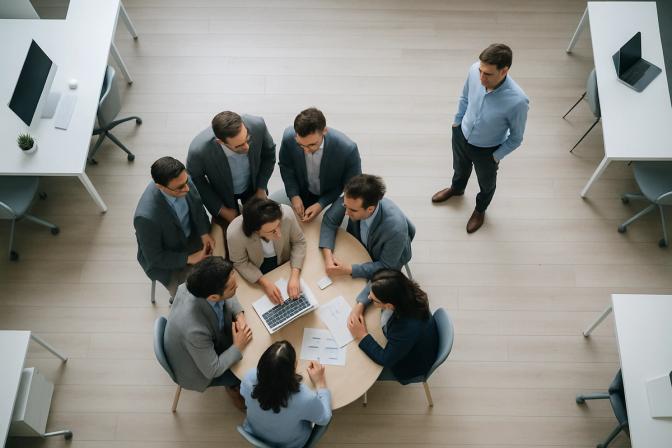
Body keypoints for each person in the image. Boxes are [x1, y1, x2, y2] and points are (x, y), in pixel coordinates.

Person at [432, 43, 529, 233]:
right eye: (480, 71)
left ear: (504, 71)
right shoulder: (474, 70)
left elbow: (516, 138)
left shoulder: (517, 101)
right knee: (459, 167)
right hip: (462, 134)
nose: (481, 77)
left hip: (488, 150)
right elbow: (465, 98)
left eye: (488, 74)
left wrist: (495, 156)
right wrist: (456, 124)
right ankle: (457, 188)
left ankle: (480, 209)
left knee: (486, 183)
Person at [163, 257, 252, 412]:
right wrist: (238, 346)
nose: (237, 286)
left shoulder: (193, 285)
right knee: (248, 373)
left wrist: (239, 316)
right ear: (213, 297)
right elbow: (213, 369)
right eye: (232, 288)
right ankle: (233, 387)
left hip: (206, 340)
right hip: (199, 368)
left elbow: (227, 296)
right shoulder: (194, 330)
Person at [319, 174, 413, 313]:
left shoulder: (395, 230)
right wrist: (328, 256)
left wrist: (349, 270)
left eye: (352, 210)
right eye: (345, 206)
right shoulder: (352, 199)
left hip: (386, 261)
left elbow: (386, 267)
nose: (345, 212)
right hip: (357, 250)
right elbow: (329, 220)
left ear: (370, 209)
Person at [134, 156, 216, 298]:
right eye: (180, 187)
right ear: (160, 186)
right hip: (169, 257)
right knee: (195, 295)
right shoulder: (145, 218)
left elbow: (197, 207)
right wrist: (190, 259)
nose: (187, 188)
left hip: (191, 236)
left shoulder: (183, 180)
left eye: (186, 181)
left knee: (217, 276)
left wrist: (204, 233)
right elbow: (155, 258)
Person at [347, 268, 439, 383]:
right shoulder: (403, 290)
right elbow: (374, 283)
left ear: (389, 306)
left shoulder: (407, 328)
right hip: (407, 343)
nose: (369, 297)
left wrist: (362, 335)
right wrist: (360, 305)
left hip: (411, 364)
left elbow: (385, 359)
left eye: (375, 300)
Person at [186, 111, 276, 225]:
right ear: (221, 142)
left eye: (247, 138)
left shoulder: (258, 125)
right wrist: (222, 210)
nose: (247, 147)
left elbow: (269, 154)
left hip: (253, 187)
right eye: (239, 146)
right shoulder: (198, 151)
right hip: (222, 195)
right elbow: (195, 179)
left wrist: (261, 188)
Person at [276, 107, 361, 222]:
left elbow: (351, 186)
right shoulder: (289, 137)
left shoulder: (348, 149)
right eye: (301, 144)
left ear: (324, 131)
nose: (306, 150)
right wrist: (294, 195)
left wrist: (321, 204)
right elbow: (286, 166)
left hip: (330, 194)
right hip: (302, 190)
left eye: (312, 145)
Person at [240, 341, 331, 448]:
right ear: (295, 366)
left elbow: (244, 395)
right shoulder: (305, 398)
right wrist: (320, 384)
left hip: (254, 432)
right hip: (290, 444)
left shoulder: (249, 376)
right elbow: (325, 419)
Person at [227, 197, 307, 305]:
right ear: (257, 231)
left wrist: (294, 276)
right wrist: (265, 283)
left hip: (285, 259)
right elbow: (240, 262)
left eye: (279, 225)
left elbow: (299, 242)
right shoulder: (234, 234)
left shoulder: (286, 214)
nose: (279, 234)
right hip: (256, 267)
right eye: (272, 231)